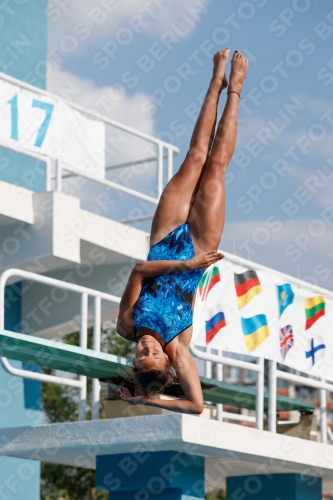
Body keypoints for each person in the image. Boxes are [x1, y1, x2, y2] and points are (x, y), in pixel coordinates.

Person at [116, 49, 248, 414]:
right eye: (154, 355)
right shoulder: (180, 348)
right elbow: (197, 405)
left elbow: (139, 271)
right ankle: (235, 88)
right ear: (166, 360)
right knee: (216, 166)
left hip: (165, 240)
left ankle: (215, 78)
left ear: (134, 359)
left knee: (194, 157)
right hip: (200, 243)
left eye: (142, 355)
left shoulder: (127, 324)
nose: (147, 348)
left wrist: (185, 265)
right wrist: (151, 399)